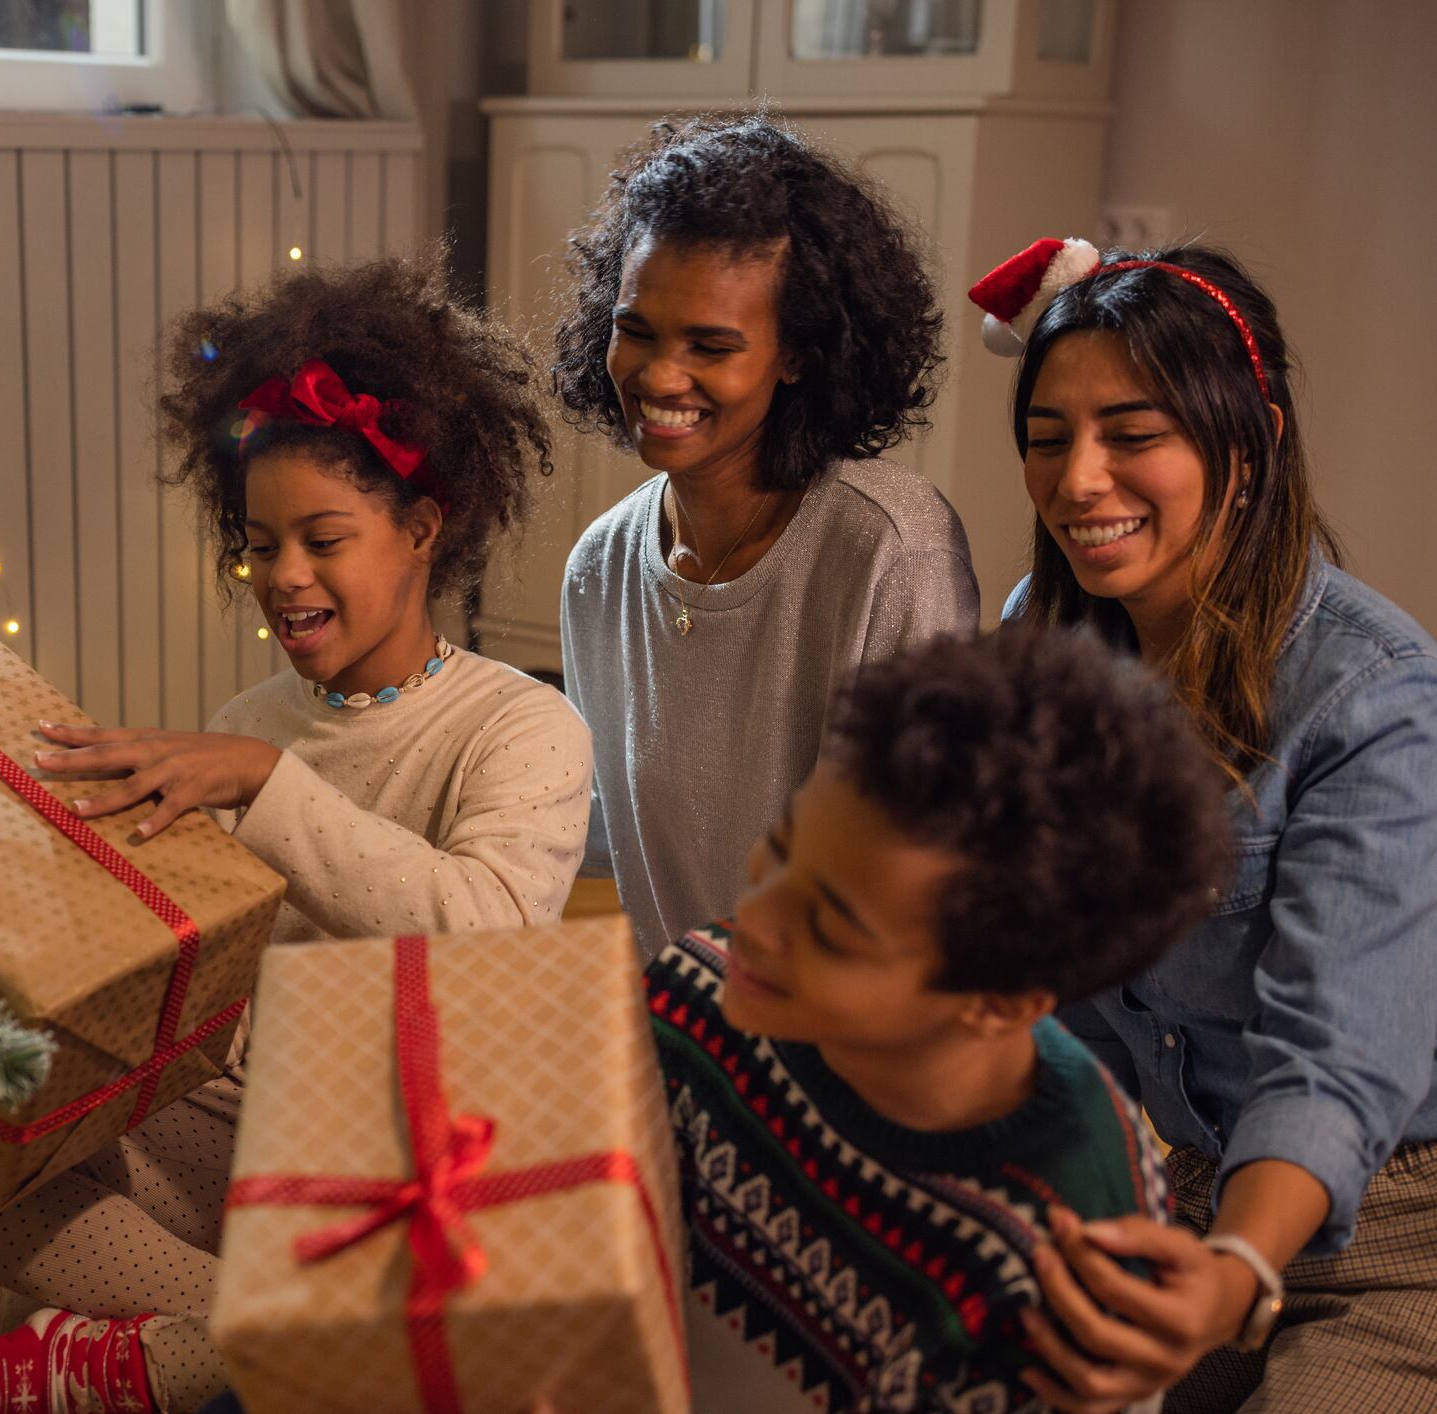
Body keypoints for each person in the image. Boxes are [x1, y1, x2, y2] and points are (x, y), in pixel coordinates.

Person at [0, 253, 594, 1414]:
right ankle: (258, 1338)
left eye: (322, 538)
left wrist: (264, 784)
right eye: (258, 543)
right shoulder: (251, 720)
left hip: (406, 1168)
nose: (281, 577)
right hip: (244, 1135)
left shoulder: (523, 727)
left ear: (420, 527)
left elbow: (485, 932)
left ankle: (138, 1357)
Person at [971, 238, 1437, 1412]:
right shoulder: (1042, 641)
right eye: (1046, 438)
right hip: (1181, 1194)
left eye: (1131, 435)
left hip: (1397, 1230)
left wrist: (1230, 1269)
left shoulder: (1369, 692)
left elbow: (1333, 1062)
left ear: (1249, 442)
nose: (1078, 480)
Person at [649, 627, 1229, 1412]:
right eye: (780, 852)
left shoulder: (1059, 1261)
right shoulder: (690, 1003)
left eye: (830, 930)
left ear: (997, 1002)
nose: (754, 919)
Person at [553, 112, 980, 965]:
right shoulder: (600, 567)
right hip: (682, 1024)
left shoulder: (892, 550)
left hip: (845, 1029)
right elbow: (591, 838)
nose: (659, 376)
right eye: (635, 331)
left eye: (710, 346)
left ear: (798, 356)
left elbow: (911, 876)